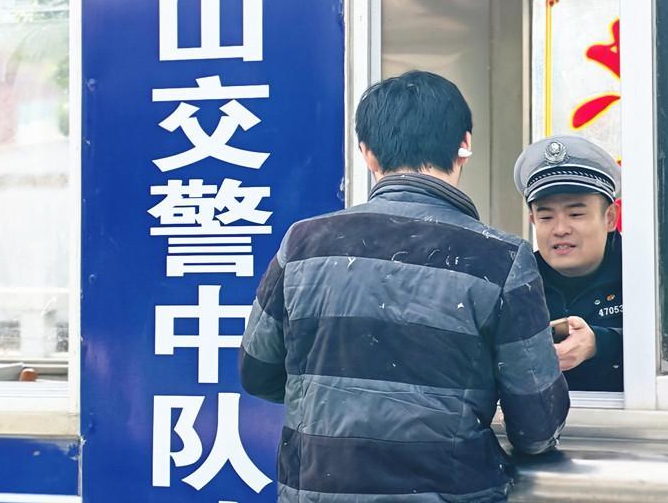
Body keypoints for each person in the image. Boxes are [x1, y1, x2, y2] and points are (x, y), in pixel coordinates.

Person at [240, 70, 569, 503]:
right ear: (464, 145)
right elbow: (537, 427)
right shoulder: (501, 259)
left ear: (367, 154)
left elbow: (258, 372)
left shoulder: (303, 244)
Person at [513, 135, 623, 392]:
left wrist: (599, 343)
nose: (560, 229)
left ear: (610, 218)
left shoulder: (646, 276)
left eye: (576, 214)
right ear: (533, 220)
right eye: (546, 217)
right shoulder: (515, 283)